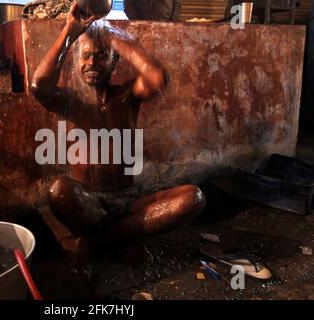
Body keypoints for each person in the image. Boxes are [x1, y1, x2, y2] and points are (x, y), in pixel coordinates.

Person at [31, 3, 205, 261]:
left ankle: (99, 240)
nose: (92, 63)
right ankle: (119, 236)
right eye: (86, 56)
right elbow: (39, 85)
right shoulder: (71, 100)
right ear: (77, 62)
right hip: (88, 202)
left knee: (194, 198)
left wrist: (112, 35)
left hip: (129, 201)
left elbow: (156, 77)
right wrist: (71, 29)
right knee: (59, 191)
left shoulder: (127, 96)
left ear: (114, 63)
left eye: (102, 56)